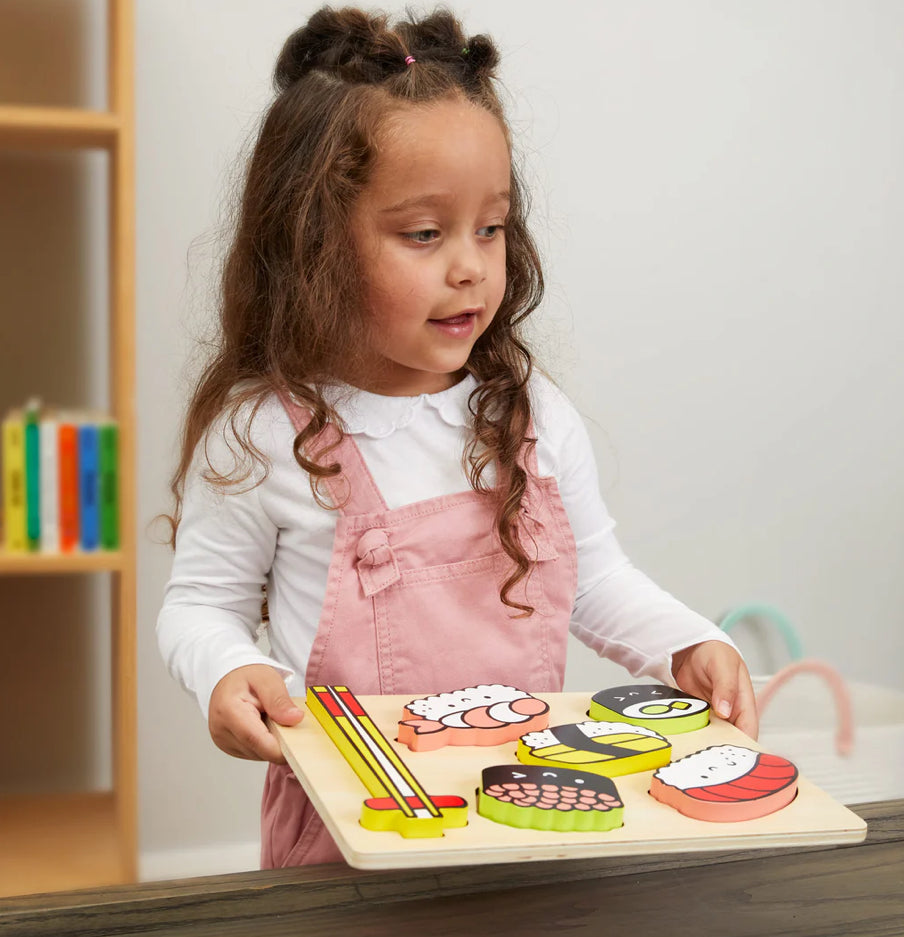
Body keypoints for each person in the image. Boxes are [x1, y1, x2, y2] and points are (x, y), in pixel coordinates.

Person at [157, 5, 758, 869]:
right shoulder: (260, 434)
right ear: (312, 243)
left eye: (491, 227)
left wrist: (689, 640)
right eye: (425, 234)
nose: (471, 265)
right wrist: (222, 670)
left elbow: (596, 578)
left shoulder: (528, 412)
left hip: (525, 813)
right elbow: (201, 605)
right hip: (353, 828)